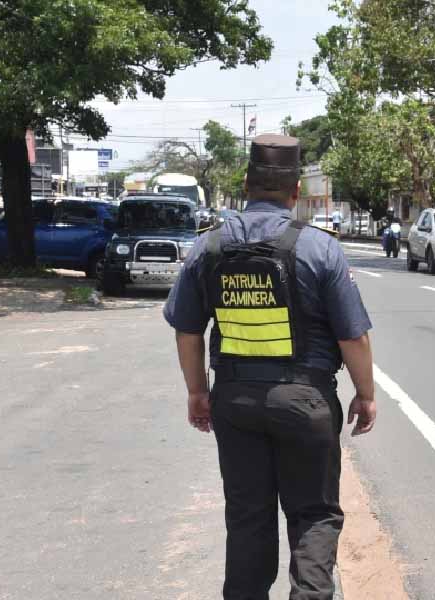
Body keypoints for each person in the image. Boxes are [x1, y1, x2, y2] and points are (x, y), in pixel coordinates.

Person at [164, 134, 377, 600]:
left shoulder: (208, 249)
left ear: (245, 185)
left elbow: (187, 329)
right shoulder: (319, 249)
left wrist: (197, 392)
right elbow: (353, 336)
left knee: (247, 517)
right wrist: (366, 393)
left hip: (235, 403)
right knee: (314, 516)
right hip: (306, 404)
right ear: (296, 191)